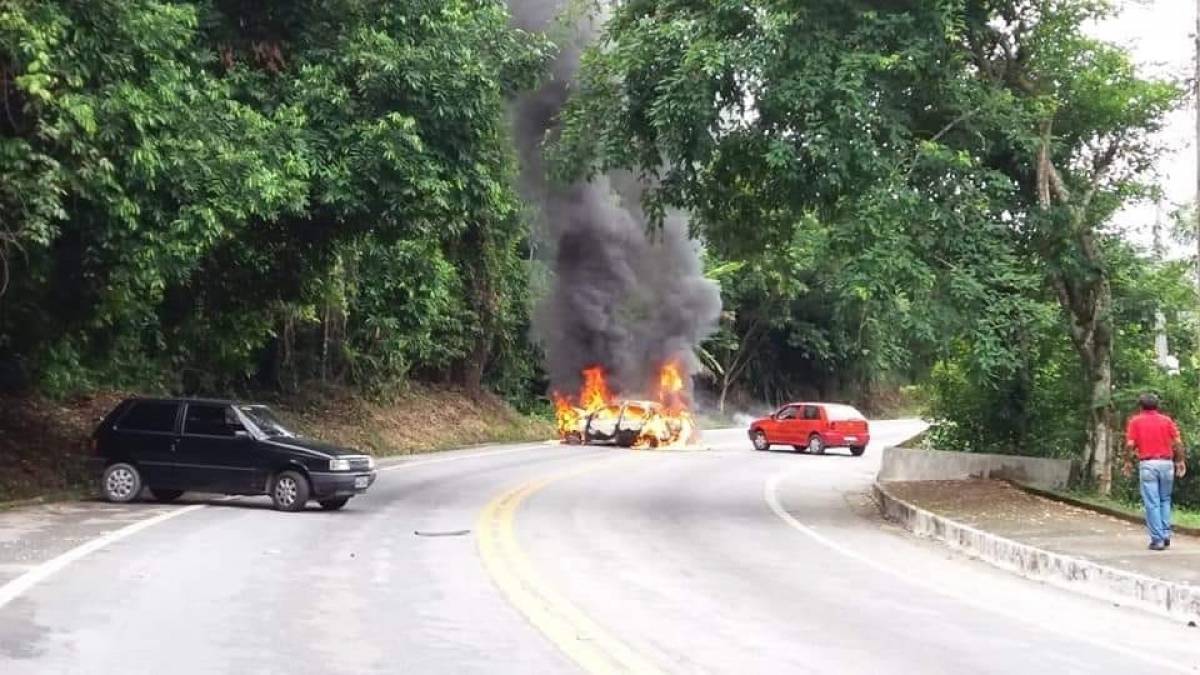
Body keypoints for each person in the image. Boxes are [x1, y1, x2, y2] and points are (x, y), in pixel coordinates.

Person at [1123, 393, 1187, 551]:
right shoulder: (1166, 421)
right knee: (1165, 499)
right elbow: (1178, 442)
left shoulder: (1135, 421)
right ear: (1157, 406)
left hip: (1148, 464)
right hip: (1167, 464)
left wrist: (1127, 462)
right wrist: (1180, 461)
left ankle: (1157, 539)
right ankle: (1165, 535)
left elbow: (1130, 445)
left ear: (1140, 406)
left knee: (1152, 503)